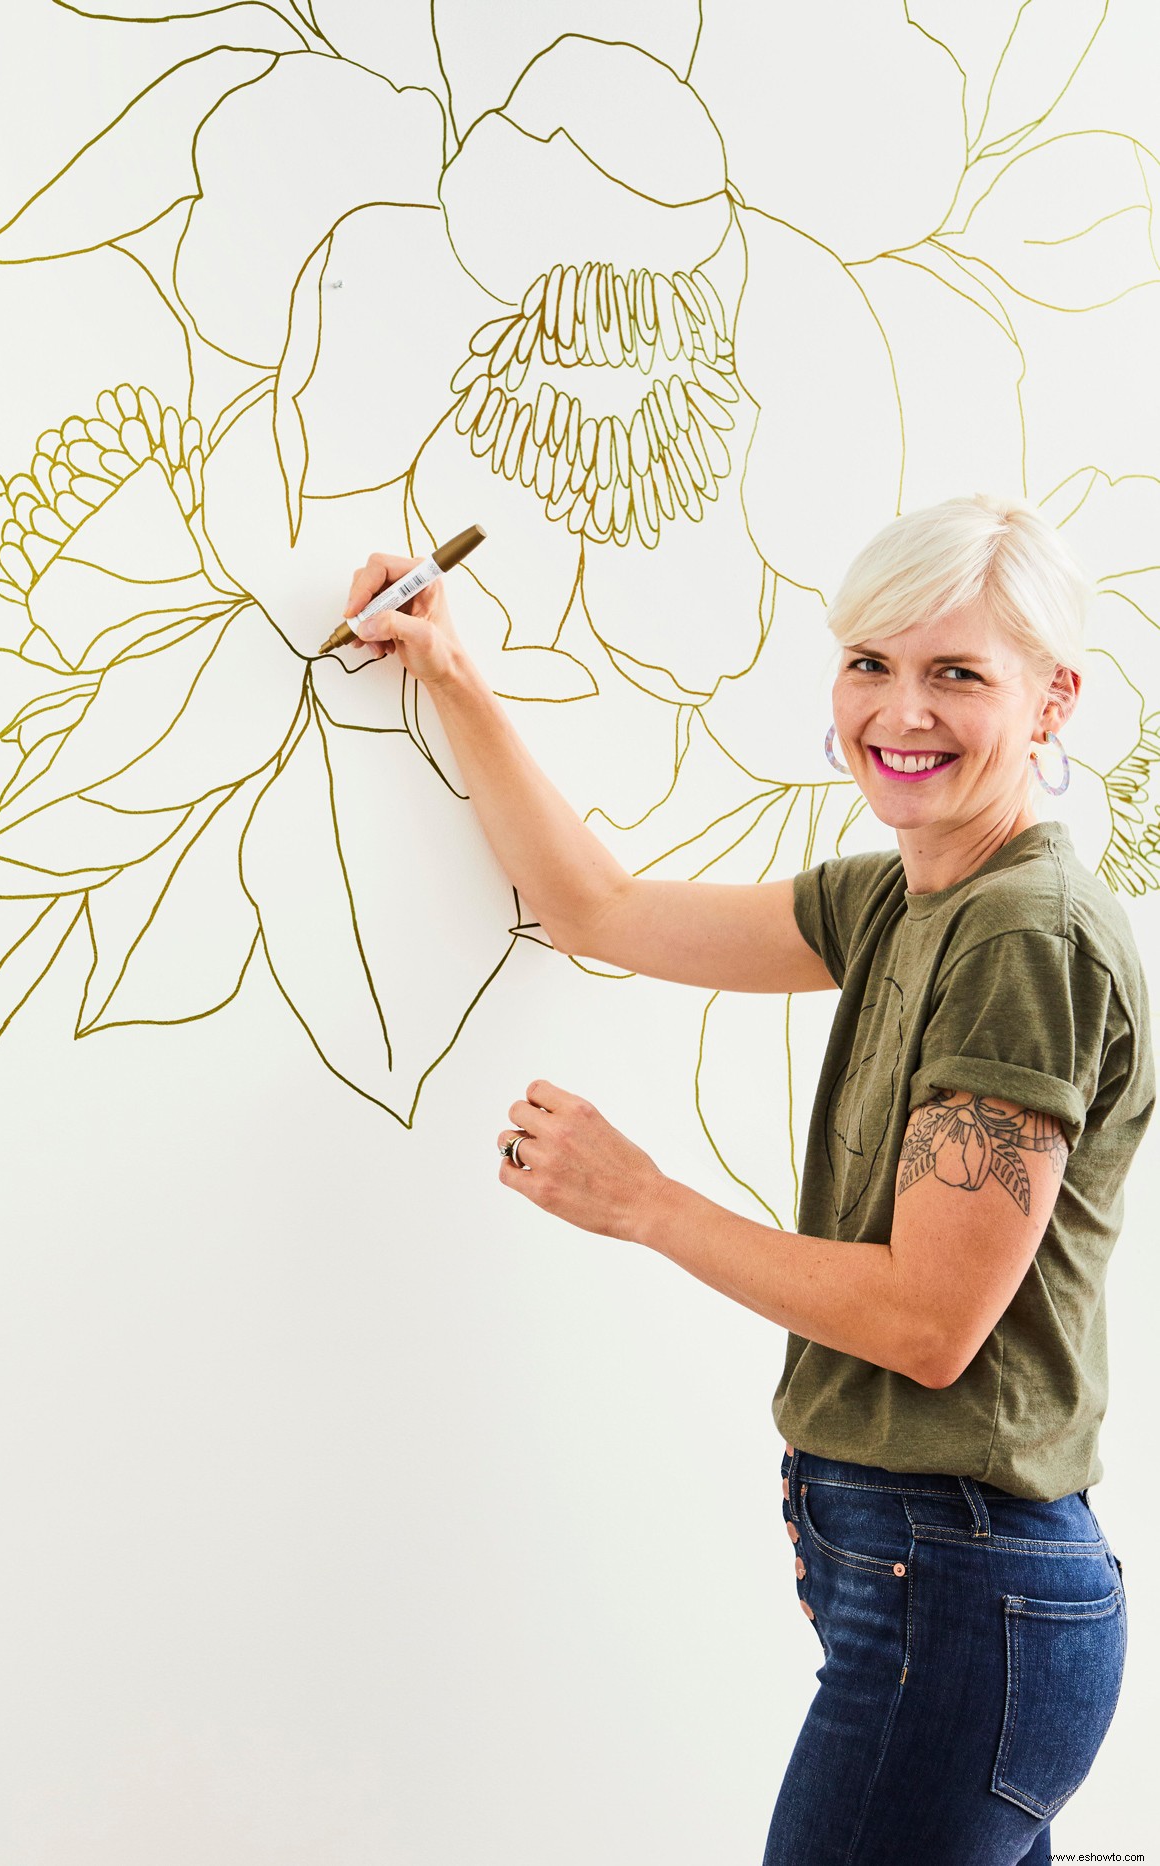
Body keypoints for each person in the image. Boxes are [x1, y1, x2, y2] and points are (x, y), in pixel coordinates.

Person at [341, 493, 1153, 1865]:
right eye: (870, 663)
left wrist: (642, 1199)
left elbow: (927, 1324)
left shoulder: (1022, 933)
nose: (899, 711)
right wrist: (451, 669)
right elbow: (598, 907)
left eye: (958, 672)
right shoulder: (906, 897)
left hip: (961, 1589)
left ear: (1054, 698)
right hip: (942, 1585)